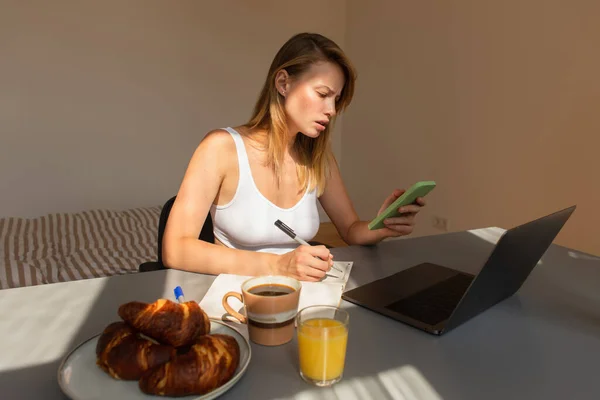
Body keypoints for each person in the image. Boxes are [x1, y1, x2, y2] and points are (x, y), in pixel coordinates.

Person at [162, 32, 426, 282]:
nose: (332, 110)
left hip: (302, 295)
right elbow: (176, 249)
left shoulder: (319, 158)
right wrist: (277, 266)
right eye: (323, 94)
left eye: (336, 100)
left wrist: (382, 225)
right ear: (283, 83)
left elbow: (350, 230)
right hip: (238, 301)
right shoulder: (221, 148)